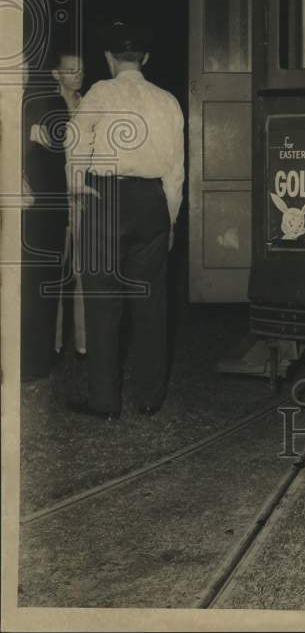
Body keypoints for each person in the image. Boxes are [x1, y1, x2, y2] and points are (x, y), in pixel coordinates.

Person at [67, 21, 184, 421]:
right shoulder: (167, 101)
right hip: (152, 200)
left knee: (103, 304)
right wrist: (168, 220)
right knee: (151, 304)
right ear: (145, 59)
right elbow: (176, 171)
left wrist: (78, 187)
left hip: (106, 199)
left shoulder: (101, 92)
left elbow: (76, 141)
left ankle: (104, 401)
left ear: (109, 58)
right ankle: (150, 398)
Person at [21, 57, 70, 379]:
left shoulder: (47, 103)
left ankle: (33, 362)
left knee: (37, 286)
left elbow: (57, 157)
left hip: (38, 216)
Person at [51, 51, 87, 357]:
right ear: (56, 74)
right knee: (55, 271)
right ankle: (53, 343)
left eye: (81, 70)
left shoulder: (88, 105)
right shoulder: (46, 109)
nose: (78, 74)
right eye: (71, 70)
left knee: (82, 271)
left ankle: (84, 343)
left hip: (83, 198)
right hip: (55, 200)